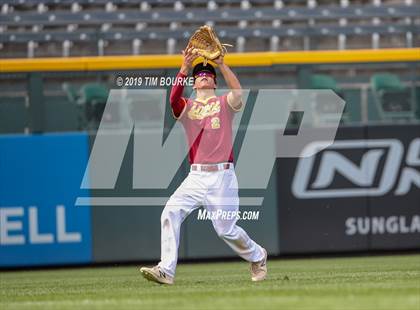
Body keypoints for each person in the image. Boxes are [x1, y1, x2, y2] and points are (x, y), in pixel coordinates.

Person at [140, 48, 267, 285]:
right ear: (194, 82)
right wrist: (184, 69)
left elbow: (238, 93)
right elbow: (173, 100)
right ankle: (166, 270)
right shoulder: (187, 107)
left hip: (223, 176)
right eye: (199, 74)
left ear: (215, 81)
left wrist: (222, 65)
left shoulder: (223, 102)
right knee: (170, 211)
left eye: (208, 73)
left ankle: (258, 256)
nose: (204, 75)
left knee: (225, 229)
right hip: (196, 176)